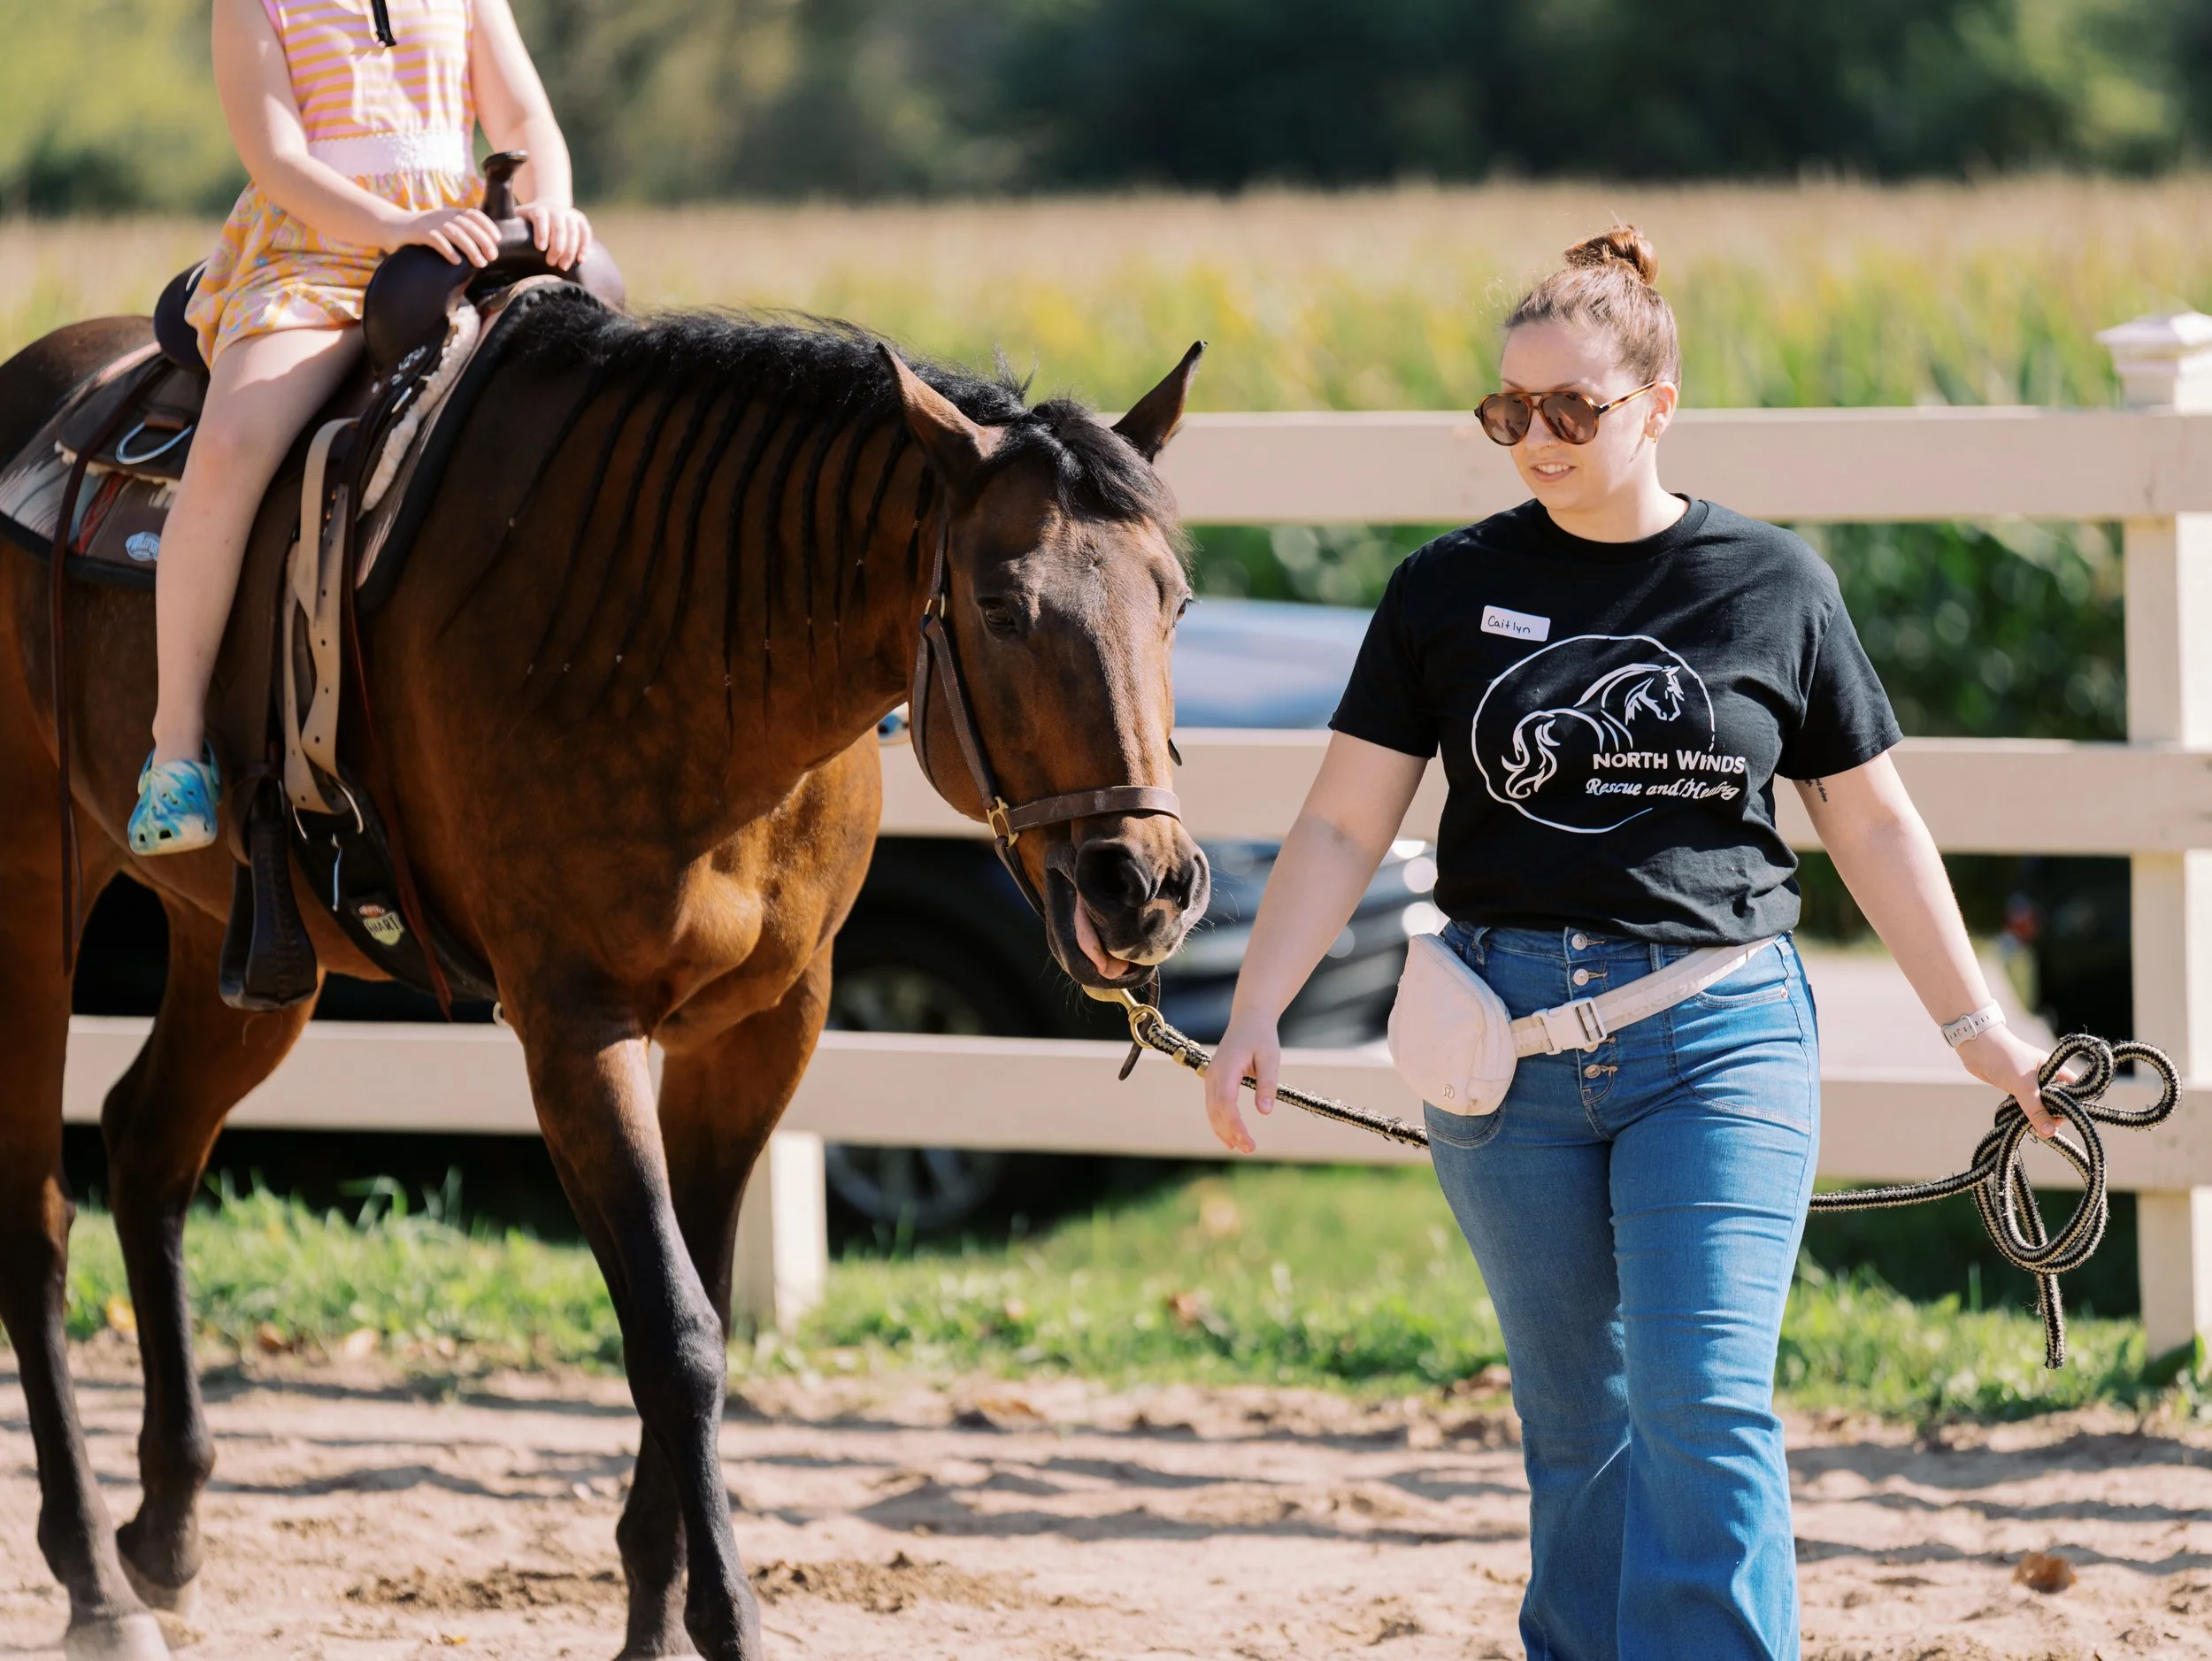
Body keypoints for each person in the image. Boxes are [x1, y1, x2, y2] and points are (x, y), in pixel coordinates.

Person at [1197, 226, 2058, 1660]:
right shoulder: (1442, 588)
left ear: (1658, 404)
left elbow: (1875, 823)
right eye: (1506, 411)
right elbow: (1345, 825)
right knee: (1574, 1416)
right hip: (1502, 1046)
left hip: (1718, 1031)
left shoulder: (1772, 583)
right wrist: (1255, 1012)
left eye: (1570, 409)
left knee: (1701, 1398)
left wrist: (1982, 1032)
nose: (1533, 438)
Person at [130, 0, 591, 853]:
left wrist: (551, 203)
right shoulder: (253, 6)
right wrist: (393, 227)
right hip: (317, 257)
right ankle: (176, 750)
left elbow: (525, 115)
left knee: (603, 391)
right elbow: (279, 160)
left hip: (461, 252)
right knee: (231, 444)